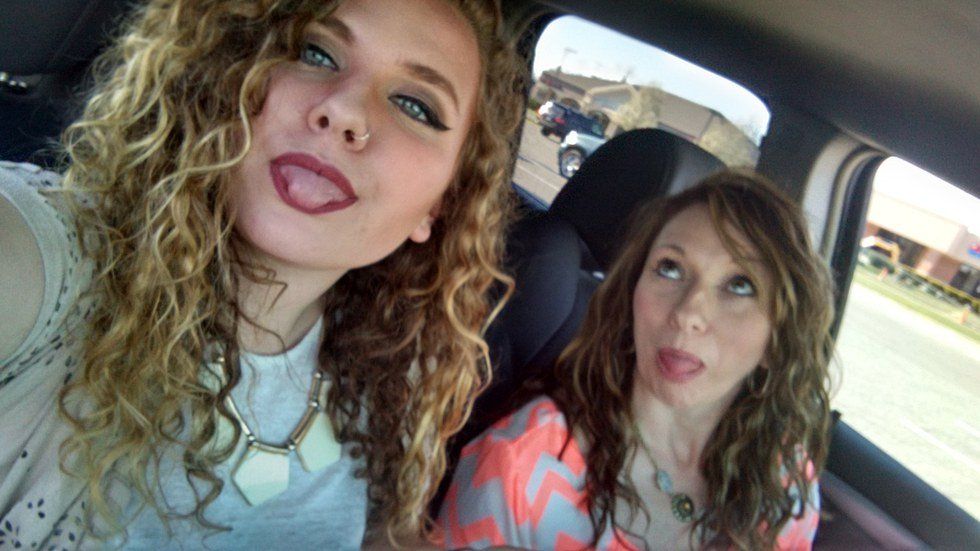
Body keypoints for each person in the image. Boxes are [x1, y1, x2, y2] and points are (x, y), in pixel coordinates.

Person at [0, 0, 527, 547]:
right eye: (315, 53)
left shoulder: (397, 366)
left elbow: (383, 536)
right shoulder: (58, 269)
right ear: (226, 70)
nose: (345, 110)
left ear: (439, 206)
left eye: (415, 106)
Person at [439, 170, 835, 550]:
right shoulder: (518, 467)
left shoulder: (785, 479)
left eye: (740, 285)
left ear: (777, 338)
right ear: (631, 293)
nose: (688, 313)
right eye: (670, 268)